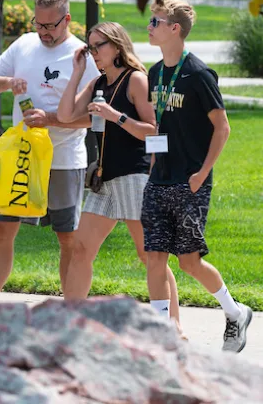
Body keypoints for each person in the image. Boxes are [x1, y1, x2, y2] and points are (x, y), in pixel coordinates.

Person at [0, 0, 100, 332]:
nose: (44, 32)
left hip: (63, 159)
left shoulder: (83, 57)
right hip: (22, 158)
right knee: (1, 232)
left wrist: (52, 120)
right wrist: (6, 82)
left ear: (67, 19)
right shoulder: (24, 45)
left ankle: (73, 316)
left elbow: (94, 117)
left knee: (68, 239)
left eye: (51, 25)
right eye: (39, 24)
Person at [57, 21, 182, 333]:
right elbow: (65, 115)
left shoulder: (136, 80)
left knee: (150, 255)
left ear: (116, 46)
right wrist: (77, 72)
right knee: (81, 251)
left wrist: (116, 117)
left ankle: (172, 325)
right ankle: (69, 325)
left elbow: (155, 130)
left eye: (98, 46)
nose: (94, 52)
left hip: (134, 177)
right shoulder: (98, 83)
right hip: (103, 179)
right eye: (90, 47)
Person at [142, 0, 251, 352]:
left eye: (155, 22)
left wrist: (203, 173)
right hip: (158, 180)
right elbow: (159, 123)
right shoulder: (155, 73)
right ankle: (162, 334)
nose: (149, 26)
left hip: (191, 182)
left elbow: (222, 127)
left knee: (189, 262)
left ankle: (235, 313)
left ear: (175, 29)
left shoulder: (198, 74)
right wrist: (154, 164)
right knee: (155, 256)